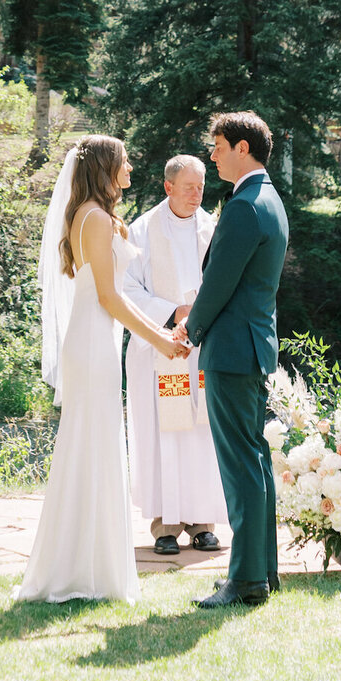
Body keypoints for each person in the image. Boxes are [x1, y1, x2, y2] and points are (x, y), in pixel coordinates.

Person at [18, 136, 188, 604]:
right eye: (124, 162)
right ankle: (79, 570)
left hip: (98, 341)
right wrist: (160, 341)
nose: (131, 169)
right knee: (90, 450)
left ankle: (90, 566)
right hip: (92, 343)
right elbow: (111, 299)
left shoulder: (98, 217)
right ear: (105, 169)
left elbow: (121, 294)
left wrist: (161, 330)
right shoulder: (92, 219)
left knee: (98, 449)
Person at [175, 112, 288, 609]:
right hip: (253, 346)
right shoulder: (270, 201)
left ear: (243, 148)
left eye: (218, 146)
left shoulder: (244, 206)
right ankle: (262, 571)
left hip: (232, 350)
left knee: (241, 466)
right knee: (255, 461)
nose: (213, 154)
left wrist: (188, 329)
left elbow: (219, 281)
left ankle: (245, 581)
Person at [124, 154, 226, 555]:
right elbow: (126, 289)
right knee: (169, 432)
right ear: (168, 187)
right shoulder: (143, 230)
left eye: (201, 187)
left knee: (201, 431)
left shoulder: (211, 227)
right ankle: (165, 525)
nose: (197, 194)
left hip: (201, 350)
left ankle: (202, 523)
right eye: (189, 187)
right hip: (162, 347)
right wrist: (174, 312)